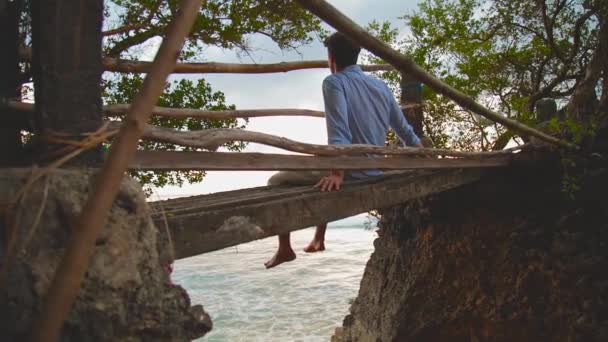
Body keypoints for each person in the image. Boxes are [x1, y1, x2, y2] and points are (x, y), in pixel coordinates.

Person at [264, 32, 423, 269]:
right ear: (356, 55)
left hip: (353, 172)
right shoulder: (380, 86)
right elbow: (405, 131)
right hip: (374, 169)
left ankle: (285, 248)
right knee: (324, 166)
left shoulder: (334, 82)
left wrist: (338, 173)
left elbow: (339, 134)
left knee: (276, 180)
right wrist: (423, 156)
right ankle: (319, 238)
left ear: (331, 57)